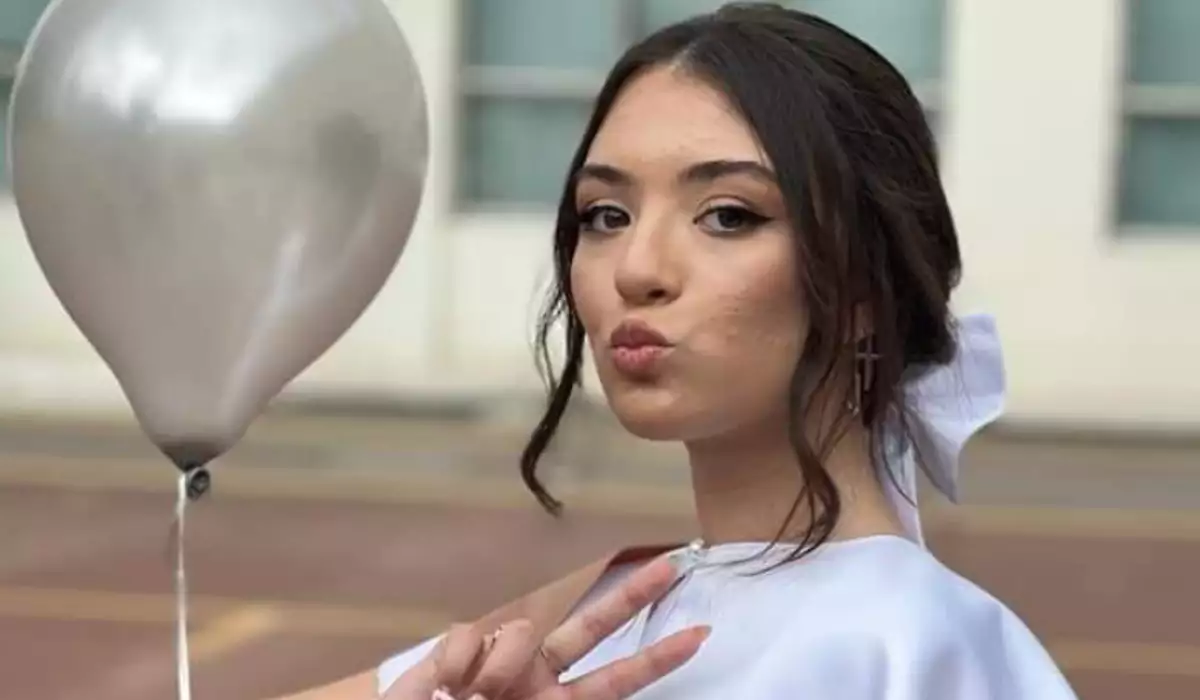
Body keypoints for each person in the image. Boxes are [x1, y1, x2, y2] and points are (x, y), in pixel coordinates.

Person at [283, 4, 1079, 699]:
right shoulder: (606, 607)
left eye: (728, 215)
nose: (636, 269)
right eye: (606, 214)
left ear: (868, 284)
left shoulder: (914, 646)